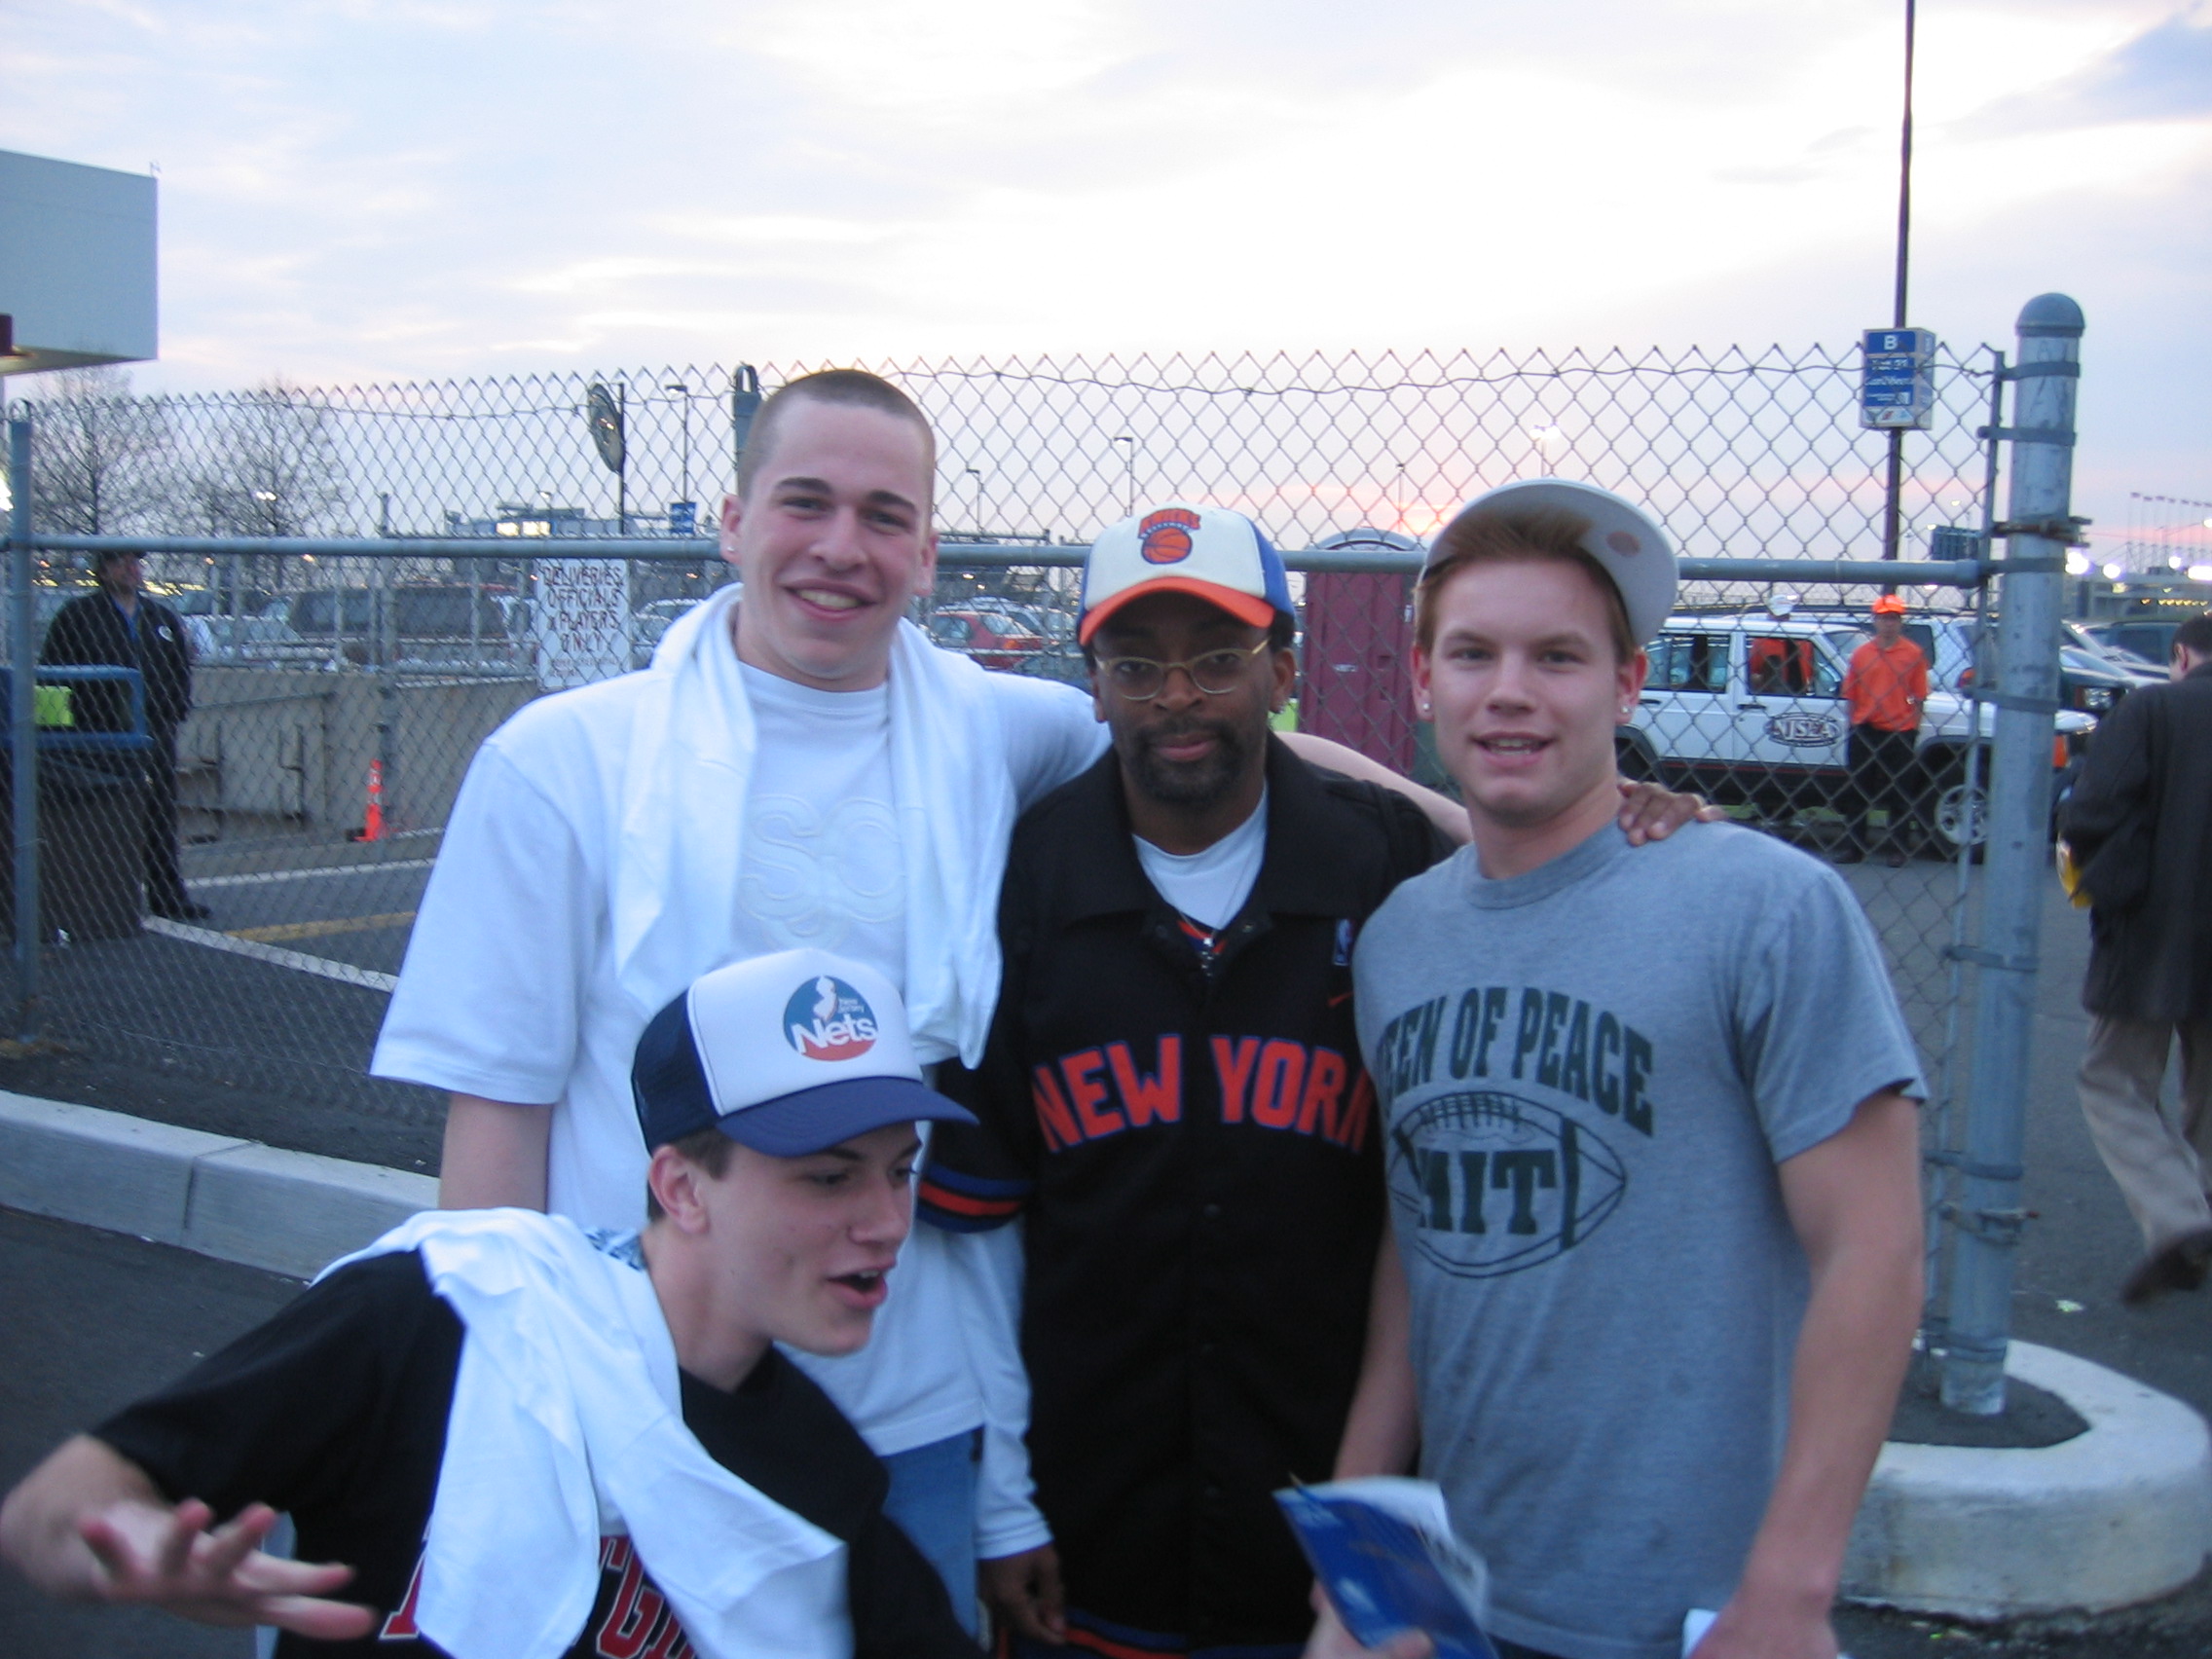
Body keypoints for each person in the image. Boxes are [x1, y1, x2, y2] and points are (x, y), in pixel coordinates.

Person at [370, 369, 1461, 1617]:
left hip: (911, 1417)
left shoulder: (996, 730)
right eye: (804, 503)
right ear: (732, 523)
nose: (842, 548)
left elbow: (1240, 743)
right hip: (649, 1397)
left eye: (884, 516)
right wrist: (515, 1408)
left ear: (928, 553)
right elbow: (494, 1130)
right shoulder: (563, 760)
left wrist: (1522, 827)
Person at [915, 502, 1712, 1659]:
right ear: (1091, 685)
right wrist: (1002, 1504)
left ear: (1282, 667)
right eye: (1136, 663)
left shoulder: (1390, 864)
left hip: (1338, 1524)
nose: (1176, 696)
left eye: (1218, 660)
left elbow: (1553, 870)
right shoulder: (1025, 883)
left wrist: (1640, 816)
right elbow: (980, 1231)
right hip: (1091, 1515)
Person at [1330, 480, 1926, 1659]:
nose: (1509, 690)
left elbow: (1875, 1247)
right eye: (1472, 653)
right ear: (1420, 682)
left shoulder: (1761, 905)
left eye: (1558, 656)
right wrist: (1356, 1566)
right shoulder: (1396, 938)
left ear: (1626, 683)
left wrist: (1790, 1590)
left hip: (1700, 1614)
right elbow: (1423, 1242)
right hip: (1459, 1605)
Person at [0, 948, 984, 1659]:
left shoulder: (819, 1477)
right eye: (827, 1180)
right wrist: (122, 1550)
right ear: (681, 1188)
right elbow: (52, 1512)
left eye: (900, 1172)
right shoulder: (447, 1317)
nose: (885, 1222)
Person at [2061, 610, 2212, 1304]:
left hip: (2158, 932)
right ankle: (2200, 1209)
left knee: (2115, 1078)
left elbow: (2093, 810)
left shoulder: (2153, 709)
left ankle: (2182, 1219)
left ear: (2183, 654)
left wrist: (2105, 877)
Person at [39, 548, 208, 919]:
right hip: (100, 733)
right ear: (103, 571)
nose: (131, 569)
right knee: (103, 815)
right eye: (120, 562)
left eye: (135, 562)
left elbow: (180, 669)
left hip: (154, 732)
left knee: (160, 813)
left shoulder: (159, 617)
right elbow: (53, 672)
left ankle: (168, 897)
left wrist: (173, 713)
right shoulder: (79, 616)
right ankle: (98, 898)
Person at [1838, 593, 1928, 867]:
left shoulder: (1913, 654)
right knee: (1857, 791)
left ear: (1900, 623)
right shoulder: (1861, 654)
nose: (1888, 624)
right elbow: (1850, 694)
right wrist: (1854, 723)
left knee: (1899, 793)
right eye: (1884, 618)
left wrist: (1912, 727)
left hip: (1899, 732)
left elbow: (1920, 695)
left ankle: (1898, 847)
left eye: (1893, 619)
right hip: (1865, 730)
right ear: (1874, 621)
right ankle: (1855, 847)